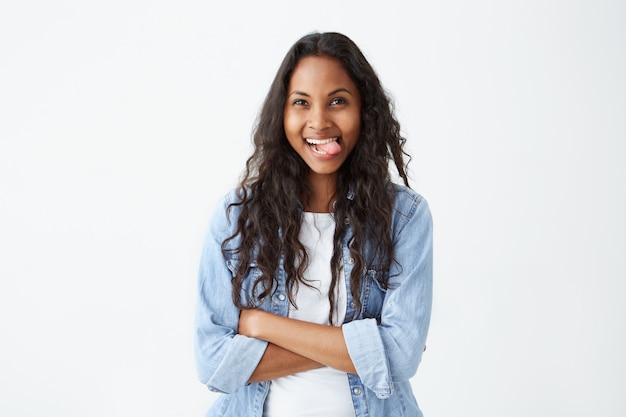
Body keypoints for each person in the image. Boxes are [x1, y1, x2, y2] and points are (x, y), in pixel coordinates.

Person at [194, 31, 433, 417]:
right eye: (301, 102)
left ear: (364, 111)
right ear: (282, 114)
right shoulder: (236, 216)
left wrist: (261, 325)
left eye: (338, 101)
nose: (319, 121)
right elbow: (213, 362)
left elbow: (401, 358)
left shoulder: (404, 218)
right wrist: (363, 350)